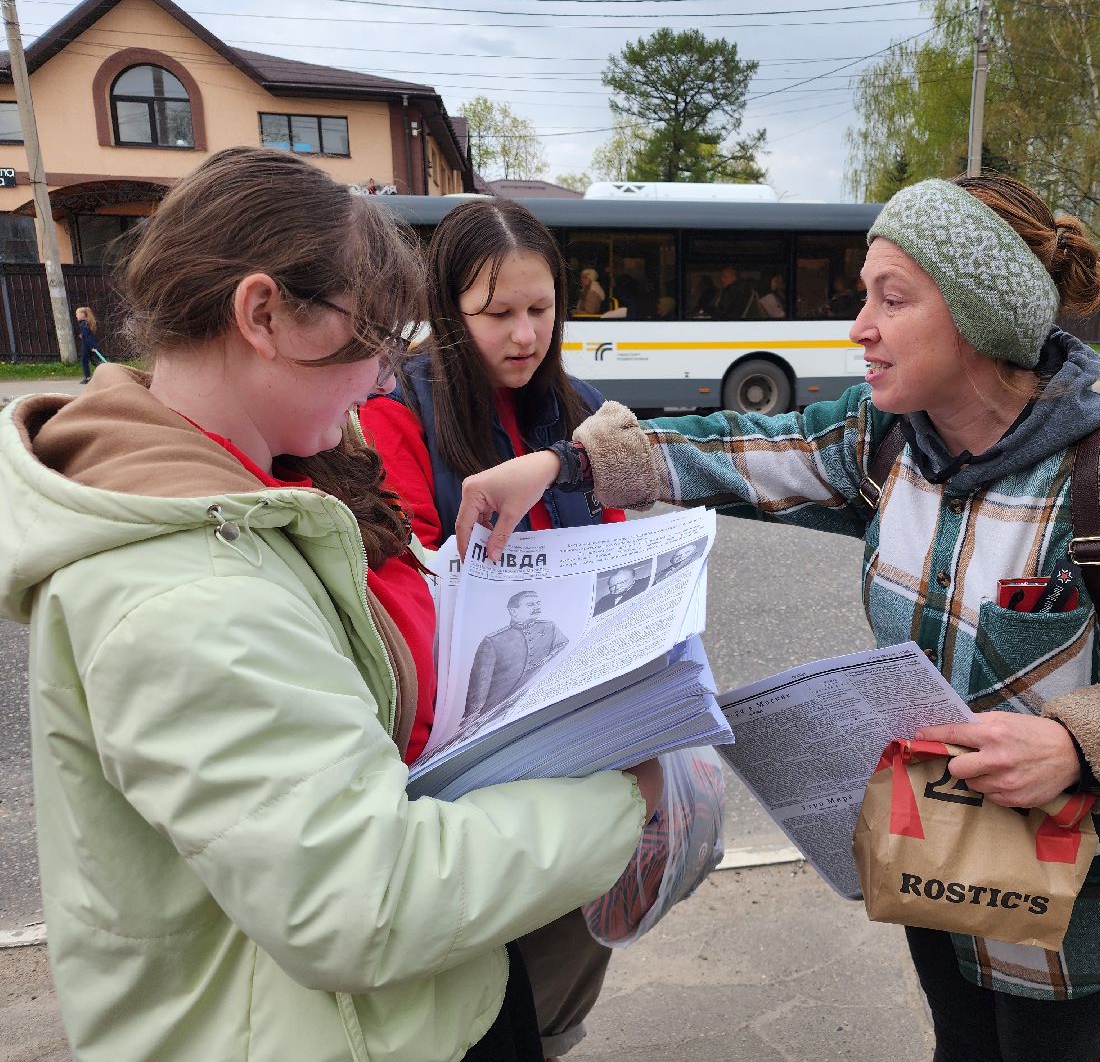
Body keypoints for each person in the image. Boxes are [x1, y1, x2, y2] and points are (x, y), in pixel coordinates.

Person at [456, 174, 1100, 1062]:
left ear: (980, 317)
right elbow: (743, 448)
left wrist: (1077, 747)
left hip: (1085, 913)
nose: (860, 327)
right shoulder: (886, 441)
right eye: (863, 295)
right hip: (937, 865)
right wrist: (565, 464)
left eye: (893, 298)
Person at [0, 146, 661, 1062]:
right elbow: (364, 901)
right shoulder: (186, 588)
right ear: (264, 314)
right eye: (372, 339)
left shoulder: (267, 489)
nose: (387, 376)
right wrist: (628, 800)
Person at [358, 196, 630, 1060]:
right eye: (496, 315)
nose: (524, 336)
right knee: (478, 955)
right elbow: (404, 576)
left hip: (580, 717)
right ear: (447, 312)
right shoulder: (399, 410)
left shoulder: (578, 409)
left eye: (541, 310)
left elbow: (616, 541)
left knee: (570, 934)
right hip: (469, 738)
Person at [465, 590, 568, 722]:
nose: (537, 607)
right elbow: (480, 682)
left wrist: (548, 659)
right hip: (500, 706)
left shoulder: (549, 627)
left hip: (539, 694)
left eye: (538, 603)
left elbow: (563, 644)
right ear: (513, 611)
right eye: (530, 604)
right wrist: (472, 715)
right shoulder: (493, 640)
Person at [74, 305, 101, 383]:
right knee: (94, 360)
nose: (76, 315)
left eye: (77, 314)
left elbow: (89, 337)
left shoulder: (83, 324)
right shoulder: (87, 323)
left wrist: (92, 346)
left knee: (85, 361)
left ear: (83, 314)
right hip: (90, 345)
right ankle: (104, 372)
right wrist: (83, 336)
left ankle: (88, 377)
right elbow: (88, 335)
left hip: (87, 346)